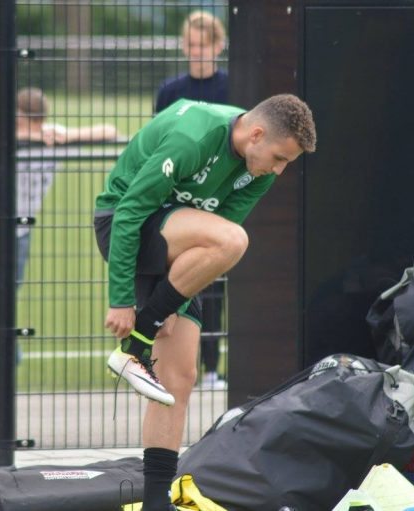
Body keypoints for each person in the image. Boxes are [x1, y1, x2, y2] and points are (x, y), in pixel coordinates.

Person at [93, 94, 316, 511]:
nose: (280, 170)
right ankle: (137, 338)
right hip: (126, 225)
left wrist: (170, 304)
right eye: (280, 157)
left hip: (178, 251)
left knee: (178, 377)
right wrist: (123, 300)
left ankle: (156, 502)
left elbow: (209, 250)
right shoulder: (194, 136)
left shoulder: (259, 172)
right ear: (256, 134)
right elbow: (128, 212)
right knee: (234, 239)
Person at [0, 87, 119, 391]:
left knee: (4, 298)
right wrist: (27, 137)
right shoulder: (1, 132)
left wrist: (68, 136)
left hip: (20, 230)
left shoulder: (56, 135)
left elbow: (111, 131)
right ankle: (11, 352)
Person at [155, 10, 229, 389]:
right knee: (172, 281)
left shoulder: (231, 86)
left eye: (203, 45)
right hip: (176, 198)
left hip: (213, 199)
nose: (196, 52)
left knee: (212, 284)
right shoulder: (170, 91)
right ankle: (167, 364)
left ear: (218, 46)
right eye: (190, 45)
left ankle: (213, 367)